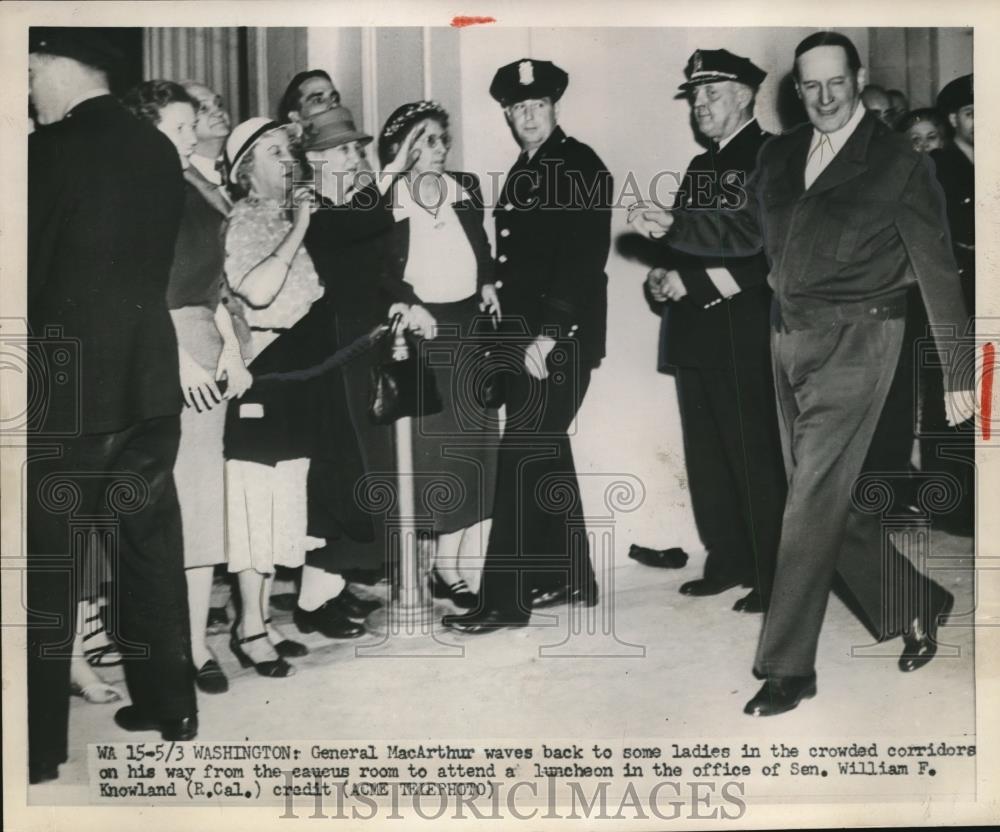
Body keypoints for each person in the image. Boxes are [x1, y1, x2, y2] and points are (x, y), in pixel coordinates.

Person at [629, 31, 972, 716]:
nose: (822, 98)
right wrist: (675, 223)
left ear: (858, 77)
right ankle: (916, 602)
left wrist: (960, 369)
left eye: (836, 83)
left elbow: (935, 263)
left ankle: (787, 666)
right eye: (810, 85)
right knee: (822, 500)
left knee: (808, 499)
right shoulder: (781, 155)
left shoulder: (900, 161)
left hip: (863, 335)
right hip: (788, 338)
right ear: (797, 87)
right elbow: (742, 236)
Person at [27, 28, 197, 783]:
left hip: (70, 388)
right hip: (149, 382)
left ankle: (36, 744)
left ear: (52, 67)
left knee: (46, 563)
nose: (26, 89)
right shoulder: (155, 148)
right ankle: (172, 706)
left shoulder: (47, 153)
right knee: (151, 545)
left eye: (28, 73)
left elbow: (23, 277)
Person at [443, 58, 613, 634]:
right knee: (544, 450)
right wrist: (492, 285)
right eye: (518, 108)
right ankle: (571, 575)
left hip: (557, 340)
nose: (528, 116)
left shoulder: (580, 165)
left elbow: (583, 261)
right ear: (509, 115)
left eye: (537, 105)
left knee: (521, 457)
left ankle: (503, 600)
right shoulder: (524, 170)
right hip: (523, 339)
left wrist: (551, 334)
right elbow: (520, 258)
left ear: (555, 107)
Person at [636, 49, 785, 615]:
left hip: (741, 331)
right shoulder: (702, 167)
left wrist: (692, 283)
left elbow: (771, 254)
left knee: (754, 456)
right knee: (708, 457)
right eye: (695, 96)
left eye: (713, 93)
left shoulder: (771, 156)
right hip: (696, 336)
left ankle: (773, 574)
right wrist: (662, 276)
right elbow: (685, 245)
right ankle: (728, 558)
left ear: (747, 96)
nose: (700, 105)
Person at [123, 79, 257, 695]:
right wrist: (178, 358)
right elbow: (132, 291)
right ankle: (163, 646)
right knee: (155, 510)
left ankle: (197, 644)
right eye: (177, 128)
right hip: (151, 354)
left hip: (206, 347)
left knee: (202, 503)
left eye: (189, 126)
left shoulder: (199, 196)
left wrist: (231, 348)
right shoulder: (125, 195)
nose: (189, 136)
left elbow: (216, 286)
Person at [295, 104, 432, 630]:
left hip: (366, 342)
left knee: (367, 467)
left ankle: (336, 585)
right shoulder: (306, 203)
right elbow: (347, 236)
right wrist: (392, 170)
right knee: (341, 469)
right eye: (342, 149)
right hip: (334, 346)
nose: (353, 157)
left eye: (355, 148)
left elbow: (380, 263)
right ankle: (312, 603)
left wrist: (403, 300)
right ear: (314, 159)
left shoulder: (354, 200)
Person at [377, 100, 499, 608]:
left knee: (475, 448)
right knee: (429, 454)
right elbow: (376, 267)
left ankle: (449, 565)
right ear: (402, 148)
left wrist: (490, 281)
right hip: (422, 331)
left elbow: (483, 250)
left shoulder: (462, 191)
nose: (437, 150)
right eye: (424, 141)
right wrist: (404, 302)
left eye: (441, 140)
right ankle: (419, 566)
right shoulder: (387, 197)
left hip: (469, 327)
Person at [221, 118, 329, 674]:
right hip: (262, 372)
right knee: (254, 502)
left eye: (287, 149)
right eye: (269, 152)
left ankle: (258, 618)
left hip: (296, 373)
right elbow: (258, 293)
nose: (284, 158)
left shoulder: (287, 217)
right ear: (244, 171)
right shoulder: (243, 219)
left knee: (281, 497)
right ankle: (250, 627)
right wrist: (304, 221)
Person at [923, 74, 976, 536]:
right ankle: (954, 508)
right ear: (954, 120)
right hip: (954, 297)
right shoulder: (936, 167)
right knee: (954, 402)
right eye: (973, 114)